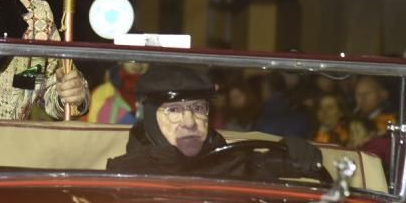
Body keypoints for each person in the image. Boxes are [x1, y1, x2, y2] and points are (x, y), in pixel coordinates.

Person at [107, 65, 323, 179]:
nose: (190, 122)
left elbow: (265, 166)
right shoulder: (125, 175)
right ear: (152, 118)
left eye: (198, 108)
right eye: (174, 110)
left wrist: (294, 154)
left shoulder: (231, 161)